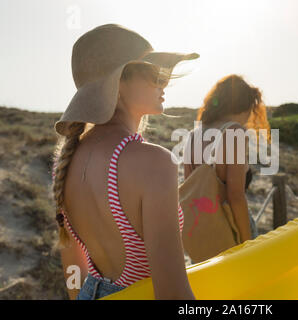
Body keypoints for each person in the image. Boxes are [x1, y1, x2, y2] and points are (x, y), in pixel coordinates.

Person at [51, 24, 199, 300]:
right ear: (118, 82)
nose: (164, 82)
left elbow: (73, 265)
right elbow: (173, 295)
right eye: (154, 73)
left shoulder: (66, 162)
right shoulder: (154, 163)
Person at [183, 74, 270, 242]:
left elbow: (189, 188)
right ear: (244, 105)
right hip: (231, 228)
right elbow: (235, 196)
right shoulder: (234, 131)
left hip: (202, 230)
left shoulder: (194, 135)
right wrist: (246, 242)